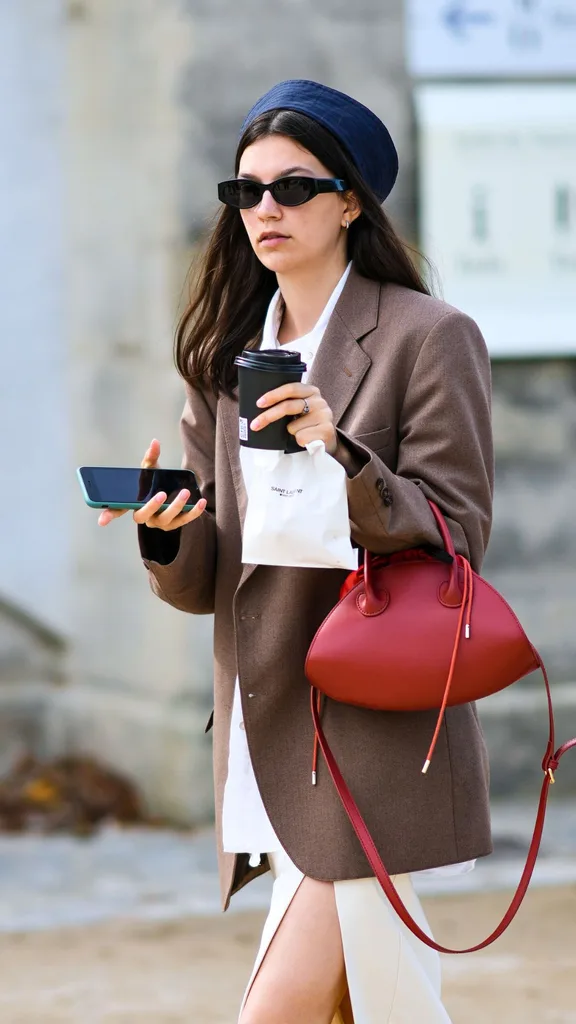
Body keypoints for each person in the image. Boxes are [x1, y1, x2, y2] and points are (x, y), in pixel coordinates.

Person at [99, 79, 494, 1024]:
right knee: (378, 1007)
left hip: (372, 727)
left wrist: (337, 449)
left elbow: (458, 535)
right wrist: (168, 532)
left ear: (352, 199)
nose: (264, 210)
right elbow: (213, 586)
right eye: (246, 193)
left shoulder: (427, 338)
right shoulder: (226, 359)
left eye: (293, 188)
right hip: (264, 717)